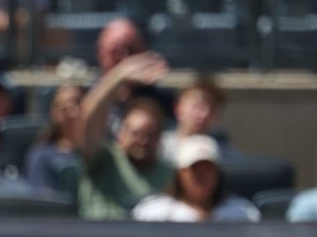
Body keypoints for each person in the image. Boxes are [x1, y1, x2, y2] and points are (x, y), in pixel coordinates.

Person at [74, 51, 174, 220]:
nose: (142, 141)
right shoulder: (104, 158)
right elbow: (87, 118)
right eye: (135, 133)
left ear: (160, 138)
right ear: (121, 134)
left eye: (150, 134)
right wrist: (119, 75)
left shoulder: (170, 175)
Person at [132, 135, 259, 222]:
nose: (202, 176)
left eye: (208, 168)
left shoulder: (242, 213)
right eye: (195, 169)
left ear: (217, 173)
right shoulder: (153, 213)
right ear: (181, 173)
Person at [23, 82, 86, 196]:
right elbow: (45, 199)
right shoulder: (41, 156)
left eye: (76, 102)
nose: (71, 111)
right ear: (54, 113)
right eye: (63, 107)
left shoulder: (100, 151)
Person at [159, 77, 232, 166]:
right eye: (197, 107)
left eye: (211, 108)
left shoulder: (225, 153)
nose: (204, 114)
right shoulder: (159, 148)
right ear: (178, 109)